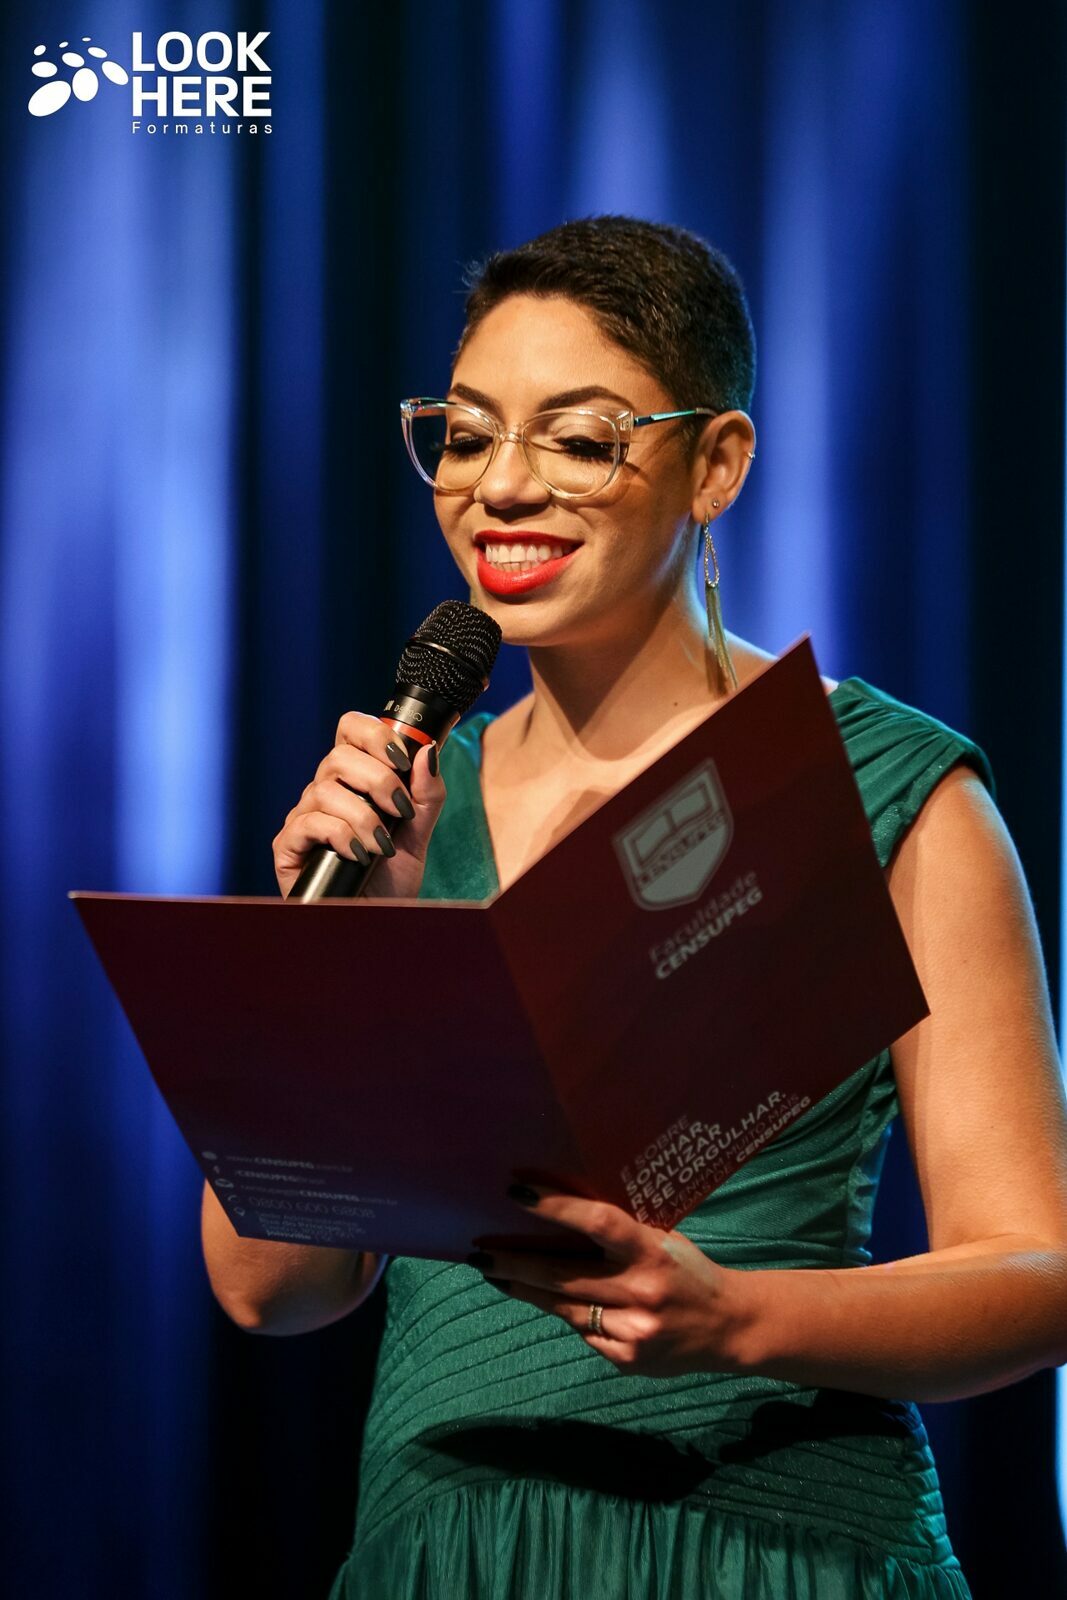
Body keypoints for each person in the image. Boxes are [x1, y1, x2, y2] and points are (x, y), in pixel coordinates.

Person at [201, 216, 1067, 1598]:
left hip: (773, 1544)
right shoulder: (412, 810)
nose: (503, 486)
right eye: (467, 436)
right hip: (455, 1551)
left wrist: (735, 1319)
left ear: (715, 464)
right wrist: (355, 945)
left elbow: (1038, 1269)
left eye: (579, 439)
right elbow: (273, 1287)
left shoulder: (882, 789)